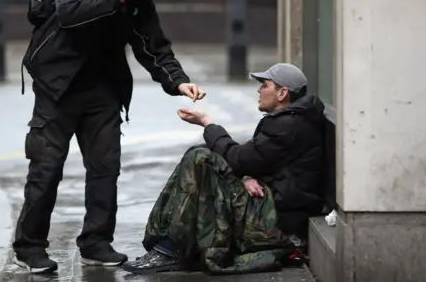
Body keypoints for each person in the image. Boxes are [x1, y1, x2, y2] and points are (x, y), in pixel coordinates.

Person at [13, 0, 206, 274]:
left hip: (103, 89)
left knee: (105, 167)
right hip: (59, 86)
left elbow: (154, 47)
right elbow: (68, 12)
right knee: (46, 168)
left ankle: (96, 242)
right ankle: (30, 248)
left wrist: (179, 81)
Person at [122, 63, 327, 275]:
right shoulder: (294, 120)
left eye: (264, 86)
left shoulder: (288, 125)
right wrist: (247, 175)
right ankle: (168, 245)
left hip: (276, 219)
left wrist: (207, 123)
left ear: (282, 93)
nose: (258, 91)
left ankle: (170, 248)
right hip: (274, 204)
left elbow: (239, 159)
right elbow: (256, 160)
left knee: (201, 159)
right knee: (202, 155)